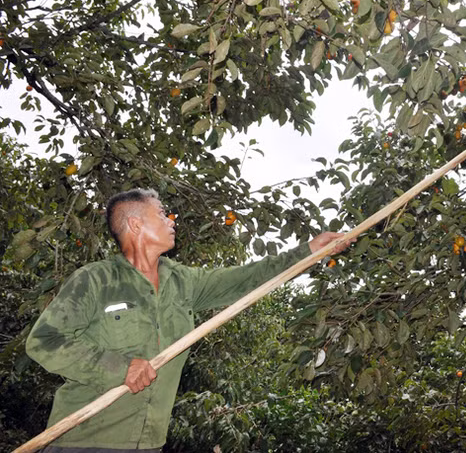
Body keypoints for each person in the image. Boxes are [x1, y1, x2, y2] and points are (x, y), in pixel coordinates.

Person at [26, 188, 352, 452]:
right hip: (84, 440)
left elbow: (247, 278)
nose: (172, 219)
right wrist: (118, 367)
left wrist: (308, 250)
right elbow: (44, 341)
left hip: (149, 442)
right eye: (161, 213)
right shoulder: (96, 280)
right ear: (136, 225)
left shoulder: (184, 282)